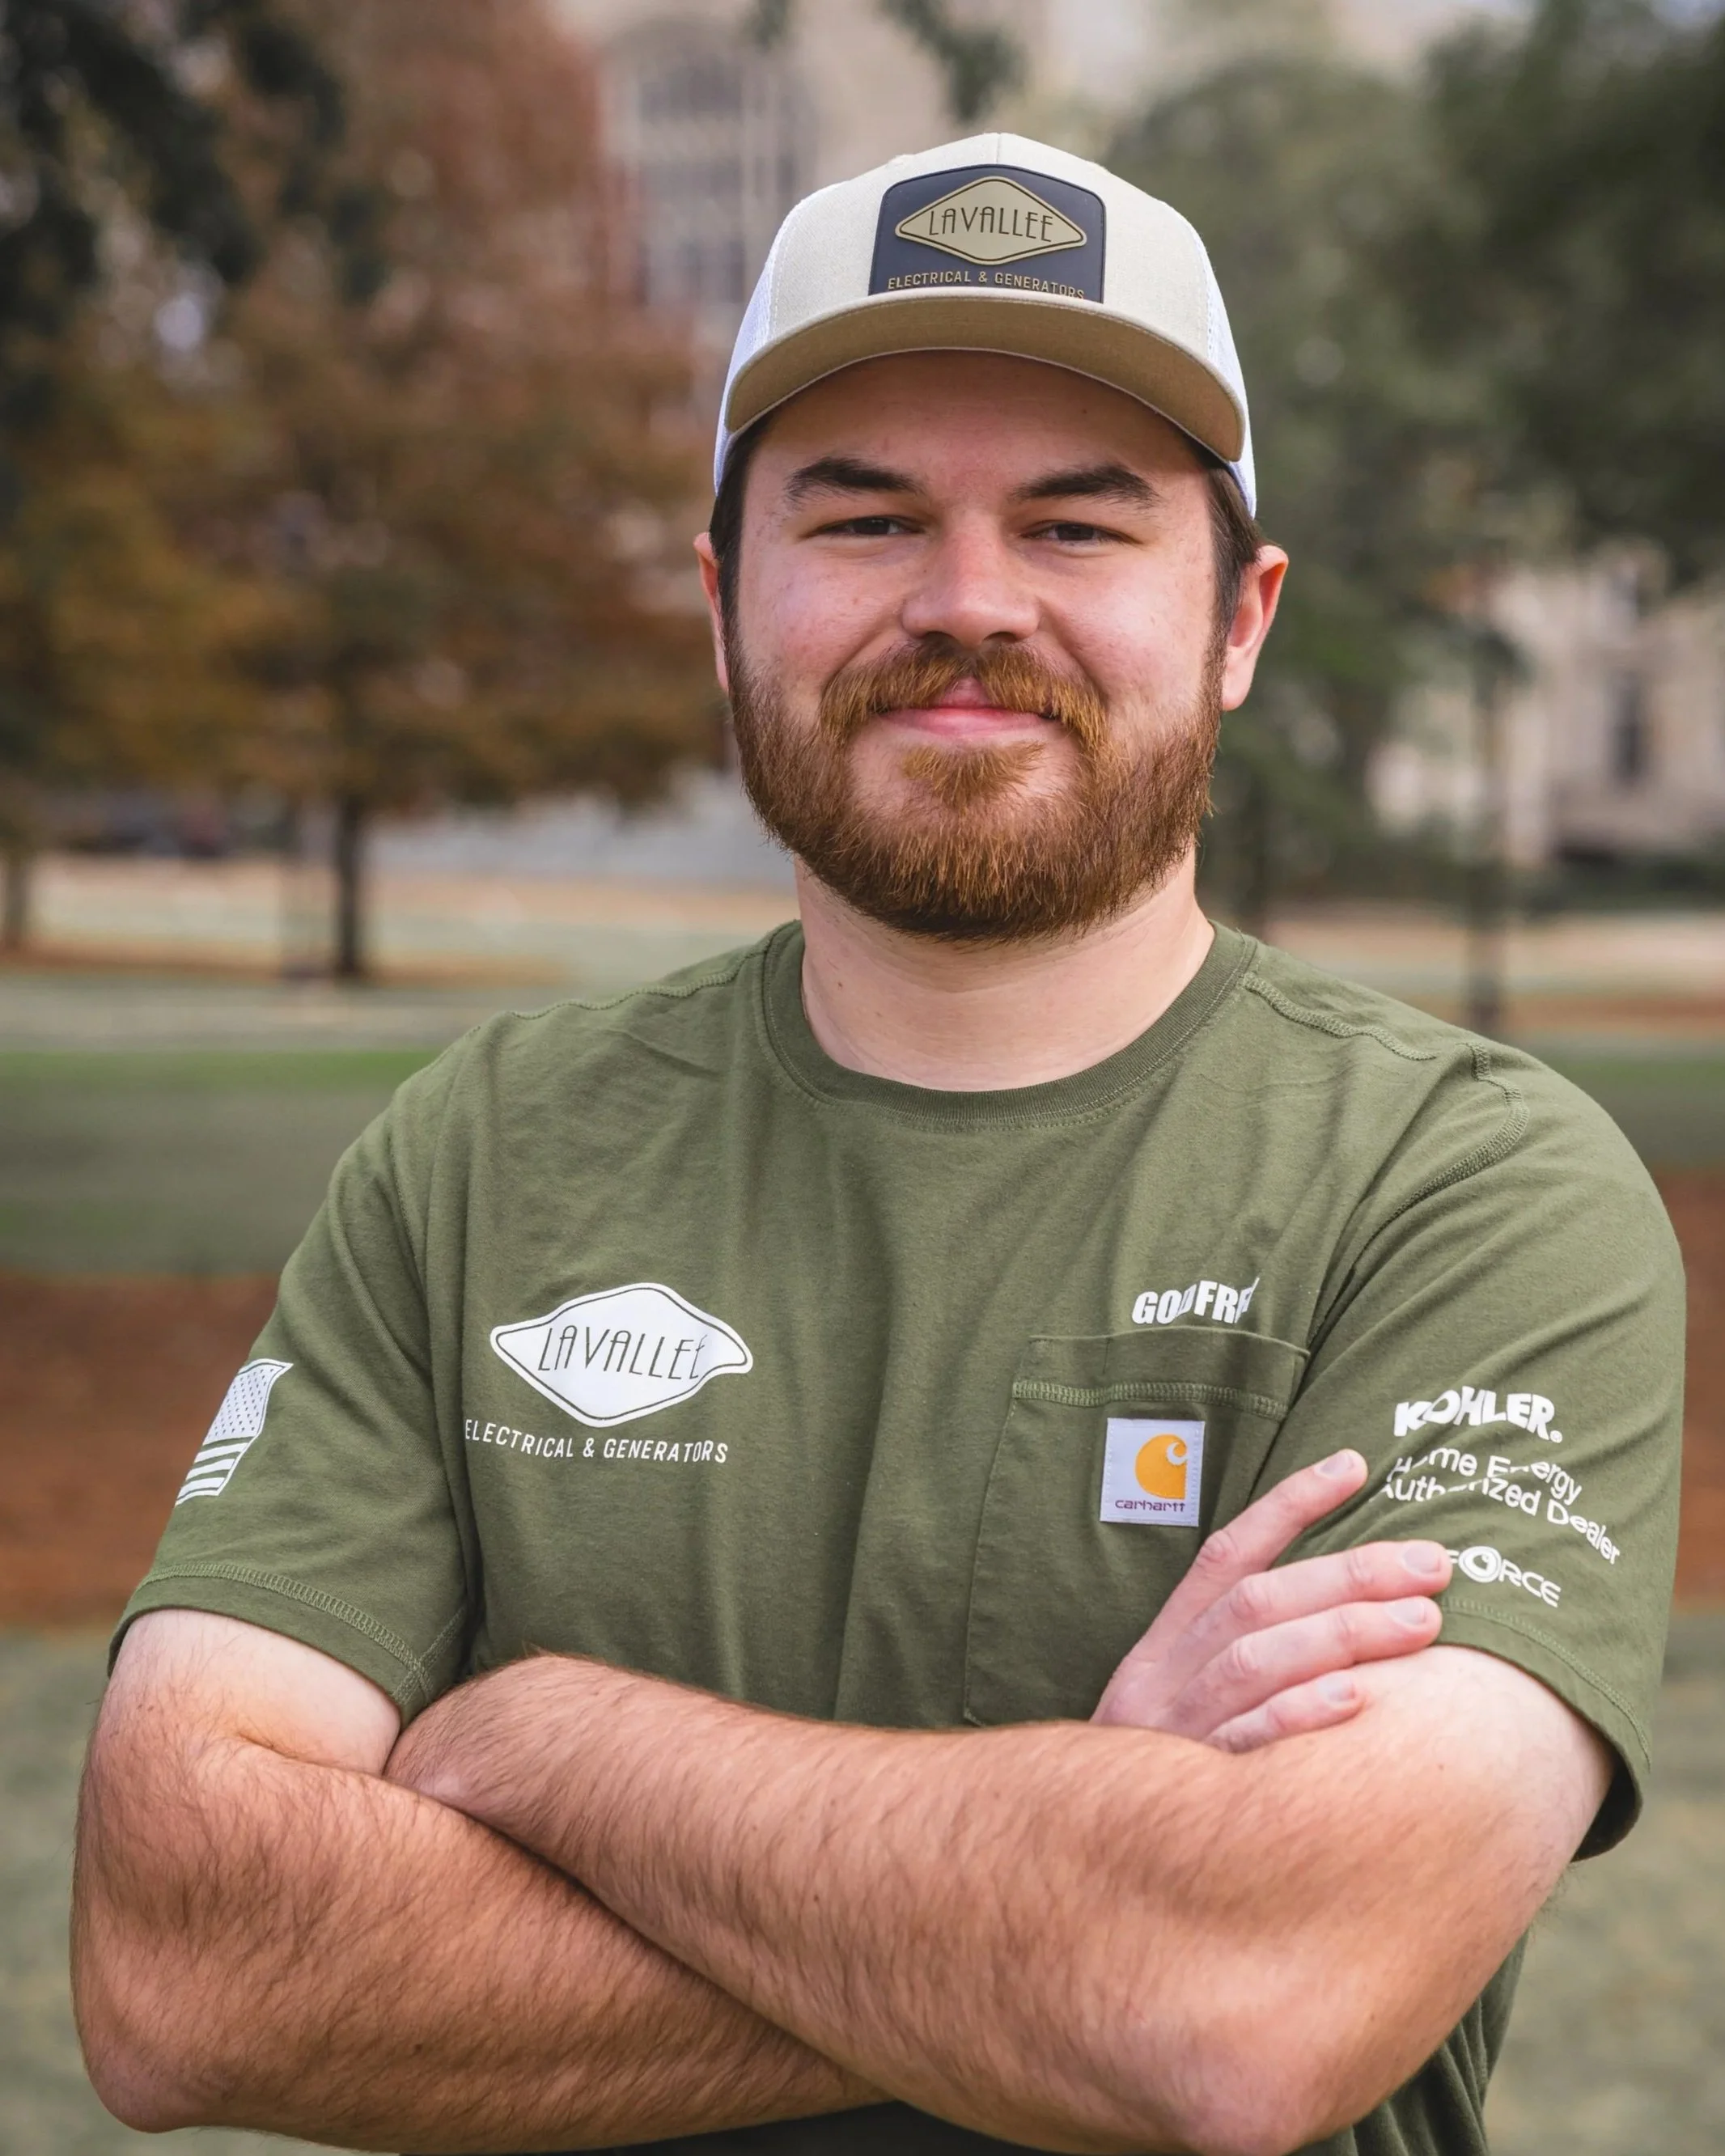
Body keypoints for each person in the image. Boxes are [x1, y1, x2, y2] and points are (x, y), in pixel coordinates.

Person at [74, 133, 1681, 2156]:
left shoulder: (1461, 1190)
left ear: (1240, 619)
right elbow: (186, 1971)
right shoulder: (479, 1162)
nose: (968, 603)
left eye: (1081, 528)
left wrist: (541, 1739)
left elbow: (1251, 1999)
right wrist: (1073, 1877)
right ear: (723, 596)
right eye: (866, 518)